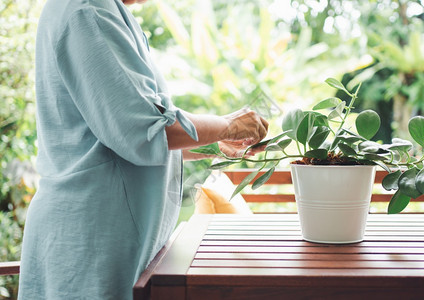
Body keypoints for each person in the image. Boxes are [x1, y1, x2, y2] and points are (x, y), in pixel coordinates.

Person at [18, 0, 268, 299]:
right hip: (92, 239)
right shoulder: (88, 11)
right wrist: (228, 125)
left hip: (103, 236)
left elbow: (124, 135)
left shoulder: (105, 11)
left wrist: (217, 142)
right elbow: (142, 131)